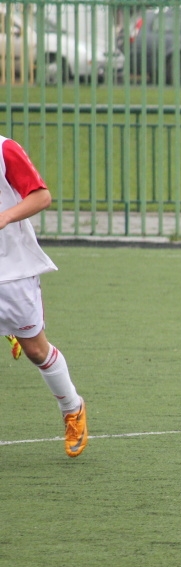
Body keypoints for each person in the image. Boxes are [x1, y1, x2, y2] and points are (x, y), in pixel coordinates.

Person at [0, 134, 88, 457]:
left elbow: (42, 196)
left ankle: (72, 407)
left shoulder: (4, 150)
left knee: (36, 350)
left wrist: (6, 216)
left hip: (11, 272)